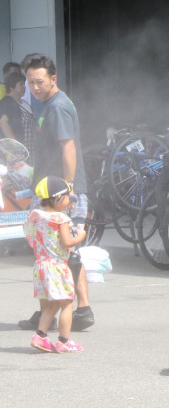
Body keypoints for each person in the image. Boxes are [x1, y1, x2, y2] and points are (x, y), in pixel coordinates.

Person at [17, 54, 94, 332]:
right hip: (51, 190)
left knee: (53, 254)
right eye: (30, 82)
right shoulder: (47, 103)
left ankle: (54, 311)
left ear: (53, 79)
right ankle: (79, 309)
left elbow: (68, 148)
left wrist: (68, 190)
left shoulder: (57, 107)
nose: (35, 87)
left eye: (39, 82)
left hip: (59, 194)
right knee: (64, 253)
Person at [24, 176, 87, 353]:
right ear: (58, 198)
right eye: (68, 197)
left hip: (41, 265)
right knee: (67, 302)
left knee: (52, 304)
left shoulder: (35, 216)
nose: (69, 201)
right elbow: (68, 242)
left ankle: (41, 336)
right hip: (57, 266)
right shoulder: (61, 219)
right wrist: (81, 235)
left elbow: (30, 238)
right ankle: (64, 341)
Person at [0, 72, 35, 163]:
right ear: (11, 87)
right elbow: (3, 122)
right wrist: (16, 147)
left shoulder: (24, 104)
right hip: (15, 154)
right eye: (20, 84)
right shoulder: (7, 102)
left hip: (29, 150)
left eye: (24, 84)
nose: (24, 87)